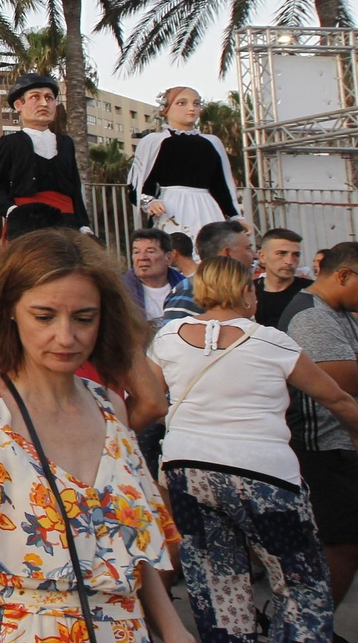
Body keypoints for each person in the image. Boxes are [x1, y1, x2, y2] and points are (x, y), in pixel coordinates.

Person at [0, 229, 188, 643]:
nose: (66, 336)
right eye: (44, 316)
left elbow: (136, 547)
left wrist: (174, 630)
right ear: (8, 311)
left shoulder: (110, 407)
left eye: (83, 318)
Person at [150, 256, 358, 642]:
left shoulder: (167, 336)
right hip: (263, 475)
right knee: (300, 583)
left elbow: (149, 399)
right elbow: (338, 400)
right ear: (246, 292)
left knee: (217, 584)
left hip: (188, 469)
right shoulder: (271, 341)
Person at [276, 240, 358, 607]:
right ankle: (317, 625)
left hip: (339, 445)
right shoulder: (311, 315)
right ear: (343, 275)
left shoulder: (335, 311)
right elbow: (343, 381)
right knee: (340, 543)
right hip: (324, 447)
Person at [127, 86, 242, 247]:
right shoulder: (154, 141)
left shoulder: (212, 142)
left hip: (208, 209)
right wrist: (150, 201)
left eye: (196, 103)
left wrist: (235, 216)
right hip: (172, 208)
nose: (191, 108)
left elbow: (220, 185)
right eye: (182, 103)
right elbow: (138, 184)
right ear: (166, 109)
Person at [0, 74, 92, 240]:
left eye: (49, 98)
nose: (44, 103)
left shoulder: (65, 143)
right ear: (19, 105)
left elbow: (75, 188)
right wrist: (14, 212)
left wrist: (83, 224)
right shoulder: (10, 143)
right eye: (35, 97)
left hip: (67, 224)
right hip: (28, 224)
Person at [161, 219, 255, 325]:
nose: (254, 255)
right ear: (227, 254)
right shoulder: (189, 291)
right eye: (248, 248)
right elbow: (172, 338)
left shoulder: (241, 288)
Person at [255, 227, 311, 330]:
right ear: (262, 256)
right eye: (281, 253)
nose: (289, 261)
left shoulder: (311, 291)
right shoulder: (247, 291)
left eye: (296, 255)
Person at [125, 227, 185, 323]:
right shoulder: (122, 292)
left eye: (150, 251)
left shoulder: (187, 289)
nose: (142, 257)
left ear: (168, 258)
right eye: (136, 252)